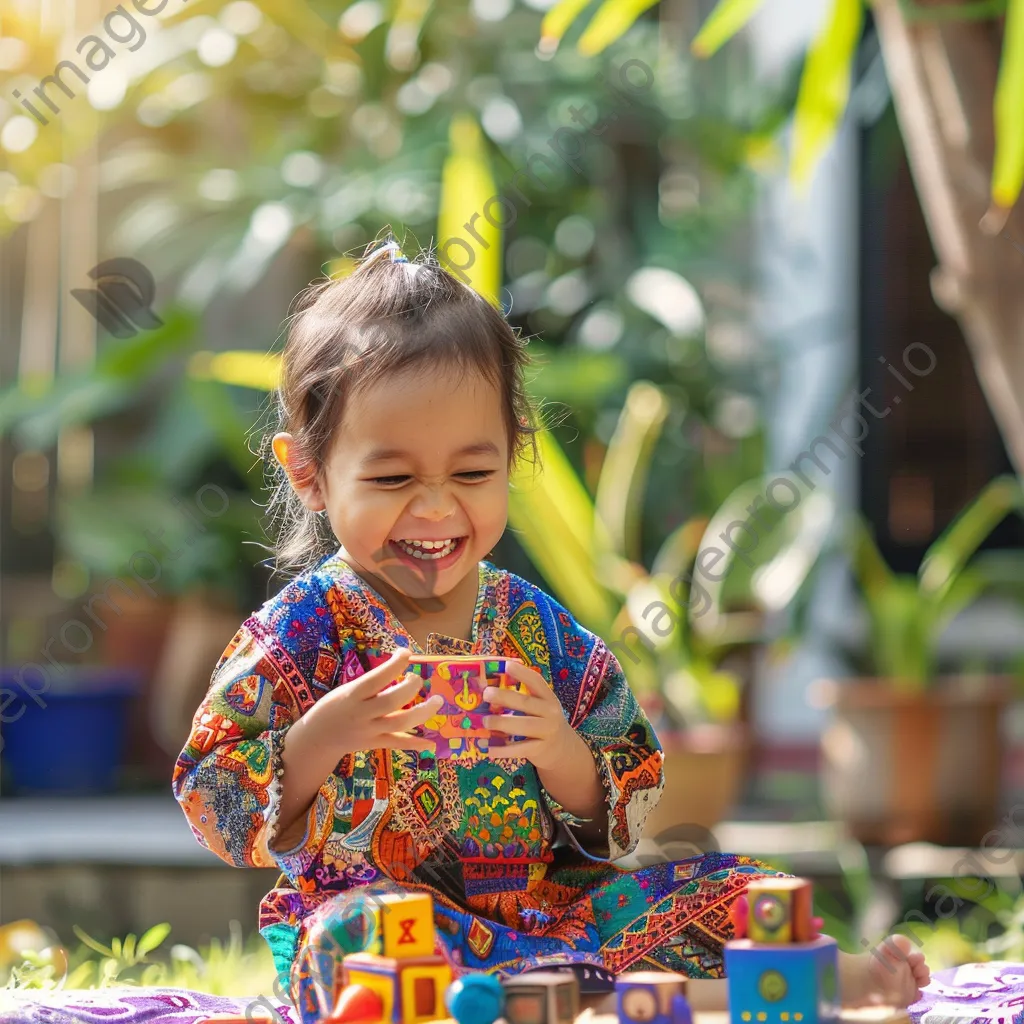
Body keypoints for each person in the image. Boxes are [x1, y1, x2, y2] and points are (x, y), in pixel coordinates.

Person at [172, 236, 929, 1024]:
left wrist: (560, 750)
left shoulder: (536, 627)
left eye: (471, 473)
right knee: (354, 944)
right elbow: (209, 792)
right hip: (397, 927)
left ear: (513, 457)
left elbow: (629, 782)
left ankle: (822, 974)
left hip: (554, 911)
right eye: (393, 478)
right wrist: (325, 732)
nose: (435, 510)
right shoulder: (300, 632)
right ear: (309, 472)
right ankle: (668, 1000)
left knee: (729, 889)